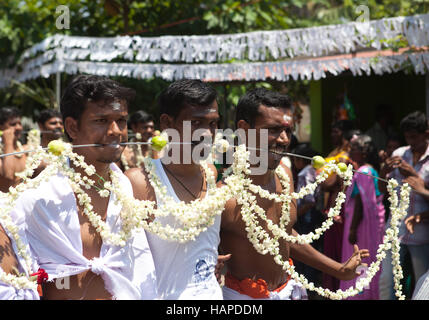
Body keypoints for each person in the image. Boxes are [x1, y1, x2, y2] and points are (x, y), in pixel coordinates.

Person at [10, 75, 157, 300]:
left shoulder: (124, 188)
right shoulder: (40, 197)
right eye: (101, 121)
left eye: (122, 120)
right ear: (72, 127)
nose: (116, 131)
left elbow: (139, 264)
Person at [219, 88, 369, 300]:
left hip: (290, 291)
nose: (283, 139)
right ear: (244, 130)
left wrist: (339, 269)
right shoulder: (224, 195)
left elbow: (285, 235)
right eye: (272, 129)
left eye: (287, 131)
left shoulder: (285, 175)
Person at [125, 79, 223, 299]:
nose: (208, 133)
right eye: (196, 122)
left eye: (213, 124)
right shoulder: (140, 182)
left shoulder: (211, 173)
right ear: (167, 123)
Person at [378, 111, 429, 300]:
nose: (411, 142)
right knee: (387, 281)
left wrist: (415, 177)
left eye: (415, 137)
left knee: (422, 283)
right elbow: (382, 188)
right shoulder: (400, 153)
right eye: (407, 137)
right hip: (396, 228)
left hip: (422, 231)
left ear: (427, 133)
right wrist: (384, 170)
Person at [339, 134, 385, 299]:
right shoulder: (368, 169)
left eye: (355, 149)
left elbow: (360, 201)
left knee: (361, 257)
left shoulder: (364, 171)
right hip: (365, 222)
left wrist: (352, 229)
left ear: (364, 153)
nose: (350, 152)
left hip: (361, 225)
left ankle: (361, 294)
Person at [320, 120, 354, 291]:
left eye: (336, 131)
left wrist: (328, 182)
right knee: (331, 251)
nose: (333, 135)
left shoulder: (345, 156)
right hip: (332, 204)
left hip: (341, 208)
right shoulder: (334, 153)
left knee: (340, 250)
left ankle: (341, 288)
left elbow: (327, 182)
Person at [291, 143, 325, 298]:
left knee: (305, 253)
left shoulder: (304, 173)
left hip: (306, 217)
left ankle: (307, 288)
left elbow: (309, 200)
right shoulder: (313, 170)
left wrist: (296, 213)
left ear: (300, 159)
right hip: (313, 217)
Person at [0, 106, 28, 193]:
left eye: (20, 123)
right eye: (13, 124)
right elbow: (8, 176)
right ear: (1, 127)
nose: (19, 128)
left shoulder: (25, 149)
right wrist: (8, 142)